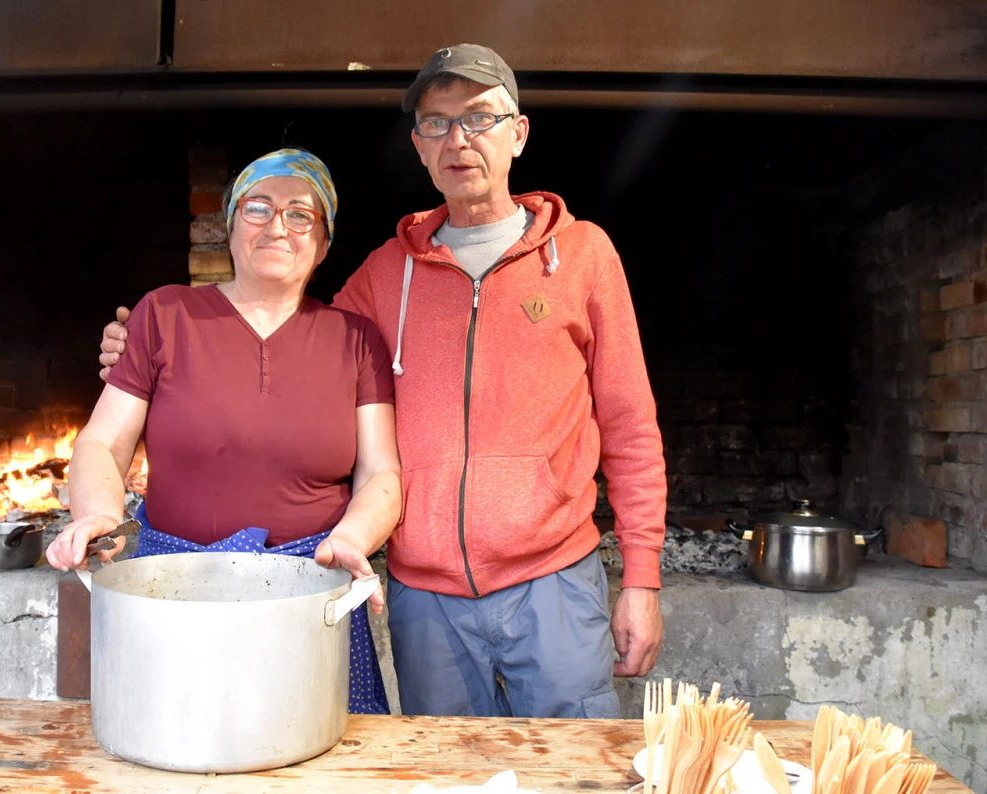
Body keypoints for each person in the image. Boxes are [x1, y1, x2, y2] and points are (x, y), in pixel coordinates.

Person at [100, 45, 666, 719]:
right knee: (441, 767)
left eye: (479, 118)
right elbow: (286, 344)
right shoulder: (384, 273)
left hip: (554, 583)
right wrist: (149, 351)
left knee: (570, 764)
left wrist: (642, 578)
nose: (459, 139)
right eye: (437, 123)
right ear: (419, 146)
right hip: (425, 600)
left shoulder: (583, 256)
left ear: (518, 133)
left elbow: (631, 425)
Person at [50, 149, 402, 715]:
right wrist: (97, 515)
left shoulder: (356, 340)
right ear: (230, 226)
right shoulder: (164, 314)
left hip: (310, 592)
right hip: (175, 588)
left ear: (323, 243)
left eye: (300, 214)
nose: (277, 227)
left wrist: (353, 539)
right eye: (258, 208)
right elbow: (102, 442)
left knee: (316, 747)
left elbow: (381, 472)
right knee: (179, 742)